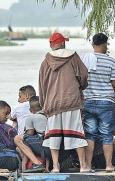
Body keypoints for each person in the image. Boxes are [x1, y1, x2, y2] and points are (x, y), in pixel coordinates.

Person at [80, 33, 115, 172]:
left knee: (90, 134)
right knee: (106, 134)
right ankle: (109, 165)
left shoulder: (83, 61)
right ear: (105, 45)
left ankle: (86, 165)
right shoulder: (111, 62)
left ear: (93, 45)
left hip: (88, 102)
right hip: (106, 103)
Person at [38, 32, 90, 173]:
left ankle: (55, 166)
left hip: (52, 104)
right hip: (71, 101)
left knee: (53, 136)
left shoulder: (45, 62)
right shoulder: (73, 57)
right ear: (62, 43)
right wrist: (81, 87)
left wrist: (44, 104)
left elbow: (42, 85)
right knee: (76, 134)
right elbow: (84, 75)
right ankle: (84, 166)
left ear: (51, 44)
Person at [14, 96, 47, 172]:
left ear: (30, 109)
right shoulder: (47, 115)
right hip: (51, 144)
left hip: (42, 144)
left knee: (18, 139)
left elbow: (29, 134)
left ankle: (36, 163)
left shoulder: (31, 118)